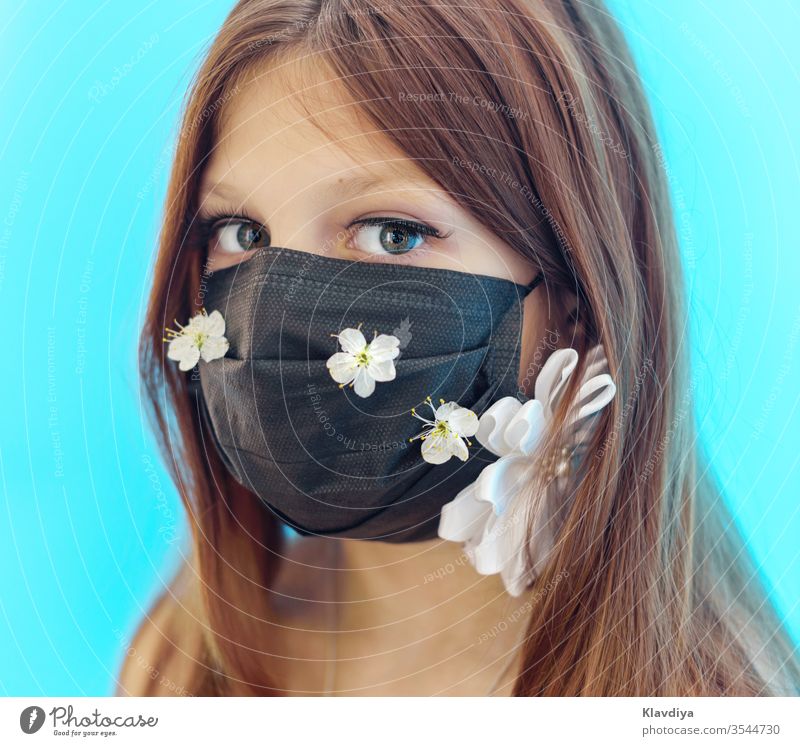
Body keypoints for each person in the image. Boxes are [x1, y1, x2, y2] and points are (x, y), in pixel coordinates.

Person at [118, 0, 800, 696]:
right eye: (241, 233)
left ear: (574, 296)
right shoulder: (183, 667)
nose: (280, 316)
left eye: (392, 232)